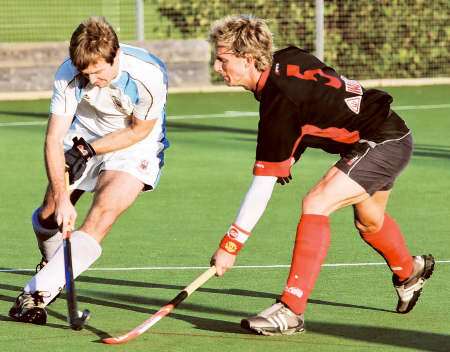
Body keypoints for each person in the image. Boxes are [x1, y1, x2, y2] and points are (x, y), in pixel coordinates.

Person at [208, 15, 435, 336]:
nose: (217, 67)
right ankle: (410, 272)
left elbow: (262, 186)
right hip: (385, 131)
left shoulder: (278, 100)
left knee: (317, 202)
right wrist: (289, 154)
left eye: (222, 59)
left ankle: (290, 310)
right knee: (369, 222)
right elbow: (316, 105)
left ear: (247, 59)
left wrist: (230, 246)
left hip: (382, 140)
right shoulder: (287, 57)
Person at [9, 16, 169, 325]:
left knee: (103, 212)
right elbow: (54, 138)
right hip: (83, 133)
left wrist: (90, 150)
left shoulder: (148, 74)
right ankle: (54, 262)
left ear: (116, 55)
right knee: (50, 213)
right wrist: (63, 197)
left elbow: (137, 131)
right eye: (86, 73)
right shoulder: (67, 75)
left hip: (134, 145)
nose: (92, 80)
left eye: (98, 72)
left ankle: (36, 294)